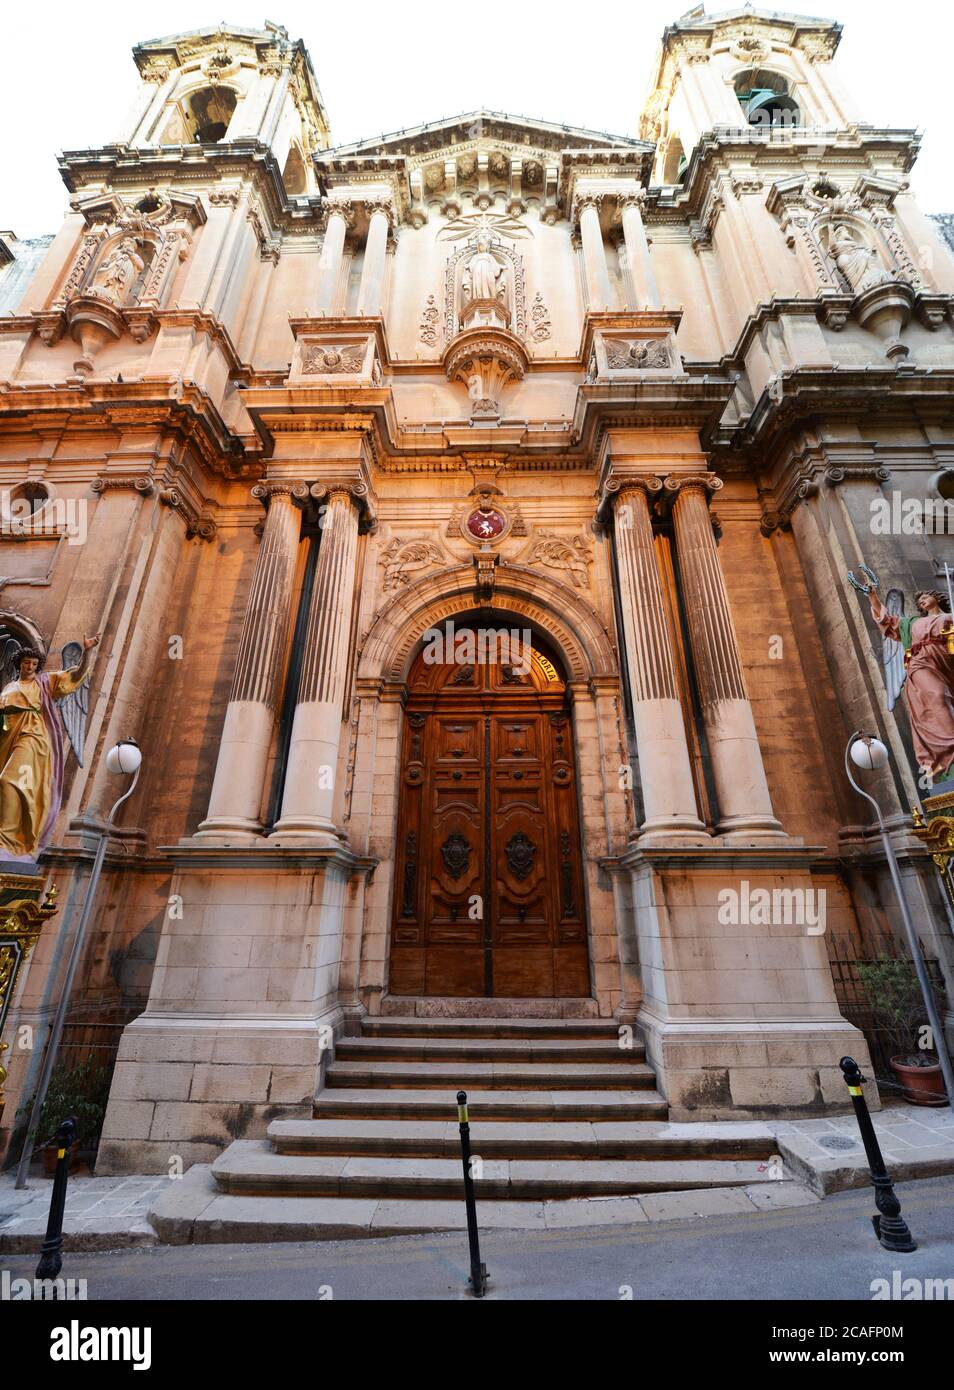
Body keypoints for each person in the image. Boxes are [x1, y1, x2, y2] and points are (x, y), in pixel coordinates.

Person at [0, 635, 99, 862]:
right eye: (26, 663)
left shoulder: (44, 683)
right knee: (8, 786)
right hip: (8, 738)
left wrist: (87, 652)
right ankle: (10, 839)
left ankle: (10, 841)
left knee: (9, 782)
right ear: (19, 664)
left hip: (33, 737)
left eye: (34, 664)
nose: (30, 667)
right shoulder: (10, 686)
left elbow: (74, 676)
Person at [868, 587, 954, 781]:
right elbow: (887, 622)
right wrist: (872, 596)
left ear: (937, 598)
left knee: (946, 701)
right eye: (920, 601)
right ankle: (949, 749)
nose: (922, 601)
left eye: (926, 597)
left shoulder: (950, 616)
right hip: (920, 664)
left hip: (944, 665)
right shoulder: (913, 622)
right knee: (936, 696)